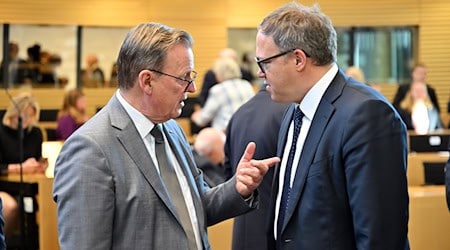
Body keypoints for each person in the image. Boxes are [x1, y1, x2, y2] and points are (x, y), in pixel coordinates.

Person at [52, 22, 279, 250]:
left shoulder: (171, 129)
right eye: (183, 78)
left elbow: (193, 206)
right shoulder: (90, 150)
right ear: (147, 81)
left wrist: (237, 188)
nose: (191, 88)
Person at [255, 3, 409, 249]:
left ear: (298, 59)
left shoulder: (366, 114)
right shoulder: (293, 111)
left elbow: (380, 235)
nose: (261, 73)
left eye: (264, 62)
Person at [224, 84, 289, 250]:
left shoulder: (238, 114)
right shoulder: (290, 112)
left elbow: (230, 177)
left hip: (242, 233)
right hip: (276, 235)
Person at [0, 93, 47, 241]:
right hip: (4, 185)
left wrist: (40, 165)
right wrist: (20, 167)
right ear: (14, 112)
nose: (27, 121)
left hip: (28, 186)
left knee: (47, 203)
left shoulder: (35, 133)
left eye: (31, 116)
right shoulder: (1, 132)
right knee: (11, 207)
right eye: (24, 116)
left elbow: (37, 158)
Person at [191, 57, 255, 131]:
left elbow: (203, 120)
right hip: (248, 130)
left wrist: (195, 116)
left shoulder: (218, 90)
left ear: (219, 73)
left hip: (225, 134)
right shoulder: (246, 85)